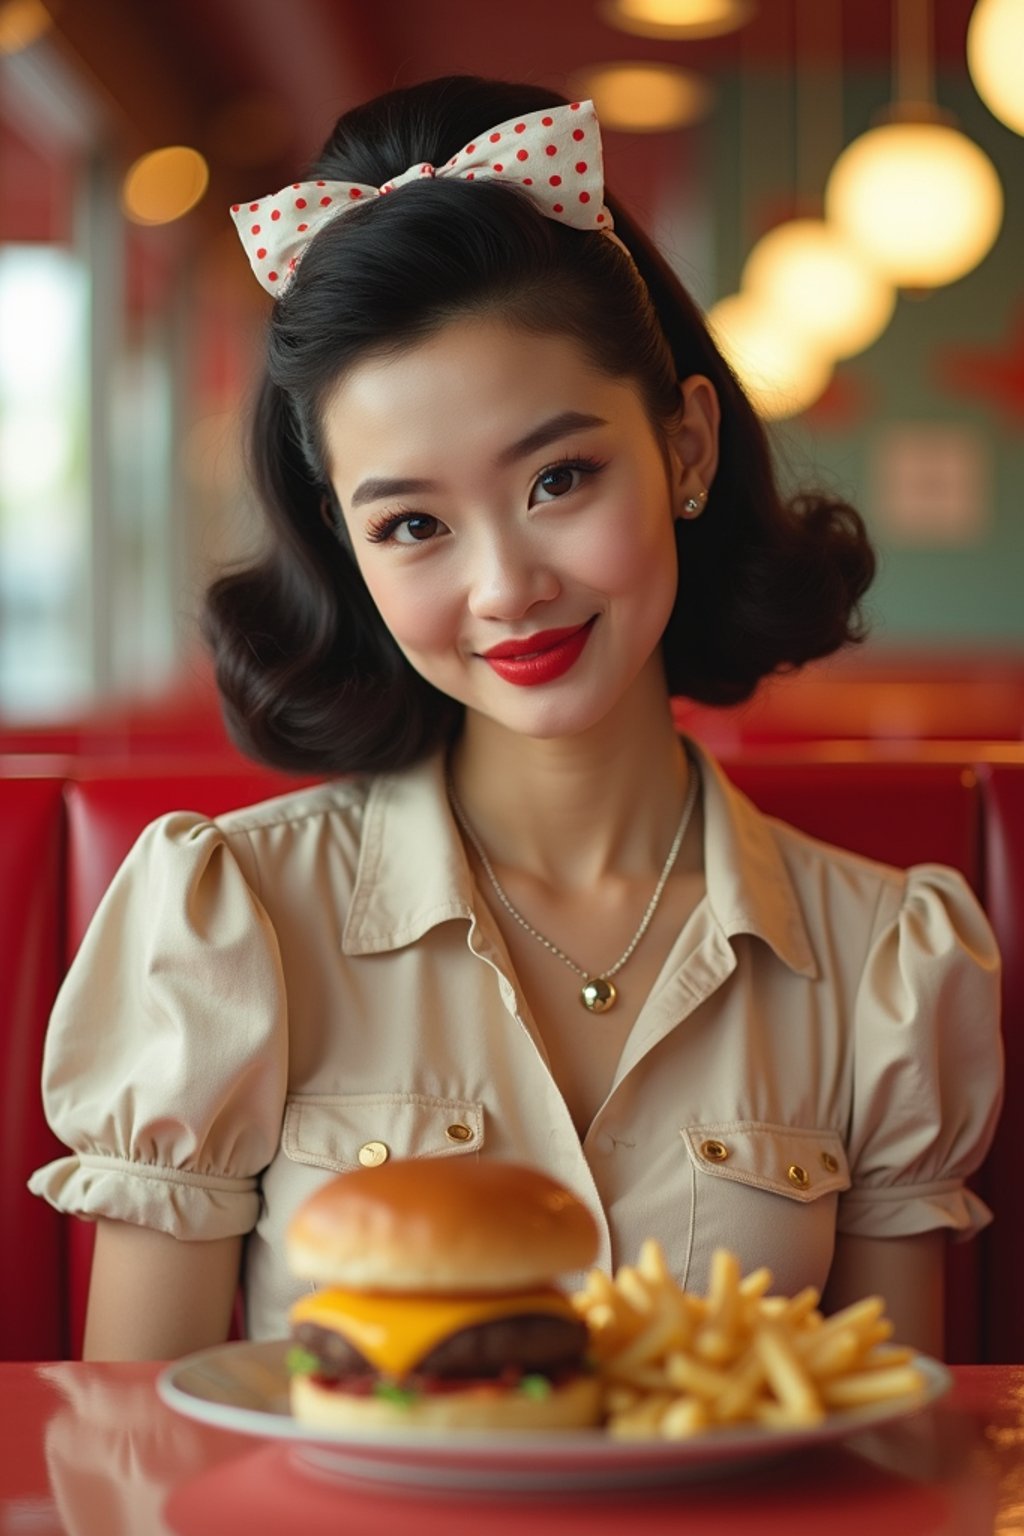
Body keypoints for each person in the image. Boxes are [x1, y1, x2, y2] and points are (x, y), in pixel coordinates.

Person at [30, 76, 1002, 1363]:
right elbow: (130, 1456)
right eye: (414, 525)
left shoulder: (885, 960)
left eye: (560, 476)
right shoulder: (230, 926)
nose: (504, 587)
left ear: (688, 450)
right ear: (350, 550)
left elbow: (890, 1441)